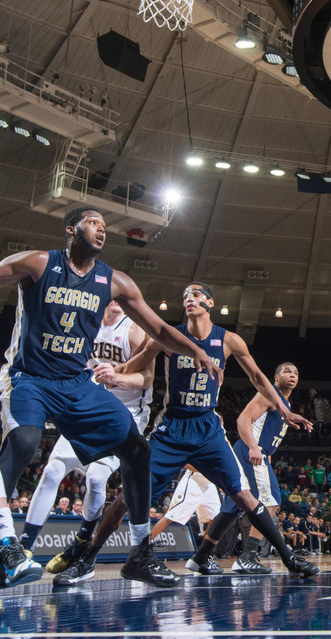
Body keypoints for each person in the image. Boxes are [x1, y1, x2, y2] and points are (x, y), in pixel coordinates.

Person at [0, 207, 219, 588]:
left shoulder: (115, 281)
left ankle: (140, 554)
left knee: (137, 450)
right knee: (24, 440)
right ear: (71, 229)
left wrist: (195, 350)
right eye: (92, 222)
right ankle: (8, 546)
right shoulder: (38, 263)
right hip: (29, 378)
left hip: (75, 383)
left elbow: (159, 328)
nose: (101, 229)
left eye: (104, 225)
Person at [53, 283, 317, 586]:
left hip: (208, 430)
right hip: (172, 429)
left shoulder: (229, 340)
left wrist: (284, 411)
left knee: (244, 496)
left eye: (195, 295)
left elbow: (258, 377)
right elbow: (133, 365)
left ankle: (289, 557)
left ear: (210, 303)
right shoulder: (167, 336)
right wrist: (115, 374)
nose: (188, 299)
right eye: (185, 297)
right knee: (128, 497)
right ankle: (87, 560)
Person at [19, 298, 153, 574]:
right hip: (87, 404)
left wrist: (117, 378)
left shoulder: (134, 329)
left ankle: (81, 542)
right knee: (52, 470)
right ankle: (25, 547)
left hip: (125, 412)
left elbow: (148, 378)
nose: (115, 298)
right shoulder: (85, 325)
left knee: (95, 478)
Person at [189, 362, 303, 575]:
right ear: (275, 378)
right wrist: (253, 448)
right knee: (270, 502)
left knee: (231, 509)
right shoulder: (269, 394)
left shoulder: (284, 403)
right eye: (287, 371)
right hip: (251, 451)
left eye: (296, 372)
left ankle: (200, 557)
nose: (293, 374)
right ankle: (248, 556)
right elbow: (243, 420)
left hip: (256, 453)